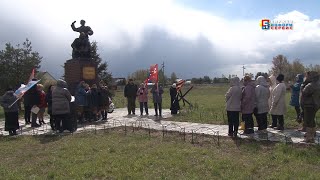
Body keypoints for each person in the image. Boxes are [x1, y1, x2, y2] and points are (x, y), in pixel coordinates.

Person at [301, 71, 320, 142]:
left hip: (309, 105)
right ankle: (312, 134)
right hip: (316, 104)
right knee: (312, 120)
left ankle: (309, 138)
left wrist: (303, 84)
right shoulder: (318, 84)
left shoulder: (310, 85)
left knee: (308, 121)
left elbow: (303, 92)